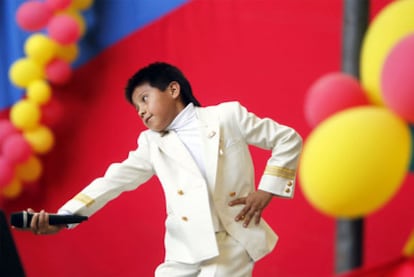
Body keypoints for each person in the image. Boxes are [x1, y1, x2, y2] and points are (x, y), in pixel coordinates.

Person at [22, 62, 302, 276]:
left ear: (173, 89)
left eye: (144, 98)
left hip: (231, 239)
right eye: (136, 108)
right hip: (184, 247)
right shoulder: (151, 143)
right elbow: (113, 180)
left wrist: (267, 190)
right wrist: (65, 216)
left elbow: (287, 139)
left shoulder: (226, 116)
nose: (141, 111)